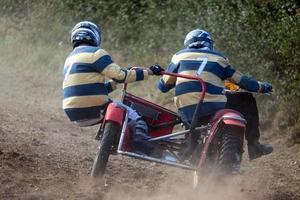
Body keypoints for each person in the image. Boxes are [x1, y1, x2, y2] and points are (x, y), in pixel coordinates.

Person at [157, 28, 273, 160]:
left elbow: (162, 86)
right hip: (212, 108)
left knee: (190, 109)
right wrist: (263, 87)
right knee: (247, 99)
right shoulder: (218, 58)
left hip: (187, 110)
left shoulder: (179, 56)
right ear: (208, 43)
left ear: (188, 44)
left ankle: (190, 143)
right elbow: (243, 81)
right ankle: (254, 145)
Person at [62, 21, 164, 157]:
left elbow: (93, 88)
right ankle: (144, 145)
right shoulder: (96, 53)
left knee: (113, 104)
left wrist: (115, 82)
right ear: (95, 36)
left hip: (72, 112)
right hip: (94, 109)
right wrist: (150, 72)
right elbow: (121, 76)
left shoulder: (70, 59)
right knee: (134, 116)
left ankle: (114, 138)